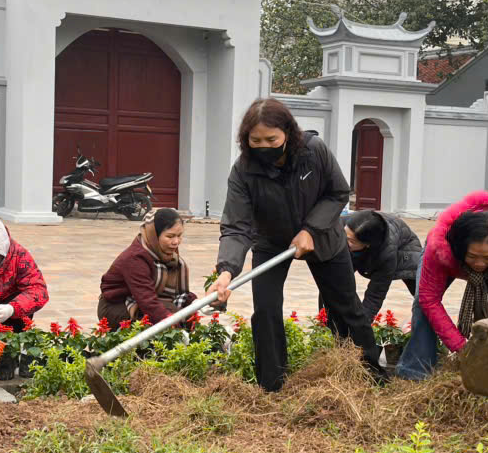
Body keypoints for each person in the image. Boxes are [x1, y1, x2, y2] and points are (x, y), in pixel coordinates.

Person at [212, 98, 381, 391]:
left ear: (287, 134)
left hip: (325, 236)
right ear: (245, 140)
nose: (264, 145)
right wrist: (226, 271)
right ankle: (272, 386)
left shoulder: (313, 152)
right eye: (256, 140)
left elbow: (338, 192)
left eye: (271, 139)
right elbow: (236, 225)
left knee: (346, 308)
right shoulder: (244, 171)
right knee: (265, 309)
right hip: (271, 241)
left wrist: (311, 229)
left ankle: (370, 375)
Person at [396, 191, 488, 379]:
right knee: (421, 304)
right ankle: (416, 371)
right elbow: (430, 299)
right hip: (451, 261)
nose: (480, 264)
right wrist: (463, 349)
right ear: (460, 248)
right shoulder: (441, 245)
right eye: (473, 256)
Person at [98, 207, 195, 330]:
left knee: (187, 313)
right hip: (117, 305)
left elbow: (179, 294)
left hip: (147, 298)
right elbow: (147, 301)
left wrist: (195, 304)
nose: (176, 242)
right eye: (170, 236)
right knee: (165, 318)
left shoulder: (164, 251)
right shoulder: (135, 258)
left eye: (179, 235)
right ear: (154, 235)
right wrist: (173, 326)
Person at [343, 209, 423, 319]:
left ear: (367, 245)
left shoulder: (386, 255)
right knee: (336, 280)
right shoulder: (347, 225)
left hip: (406, 253)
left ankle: (425, 326)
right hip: (370, 241)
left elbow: (375, 296)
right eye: (345, 236)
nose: (344, 242)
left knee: (423, 298)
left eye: (351, 241)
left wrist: (361, 327)